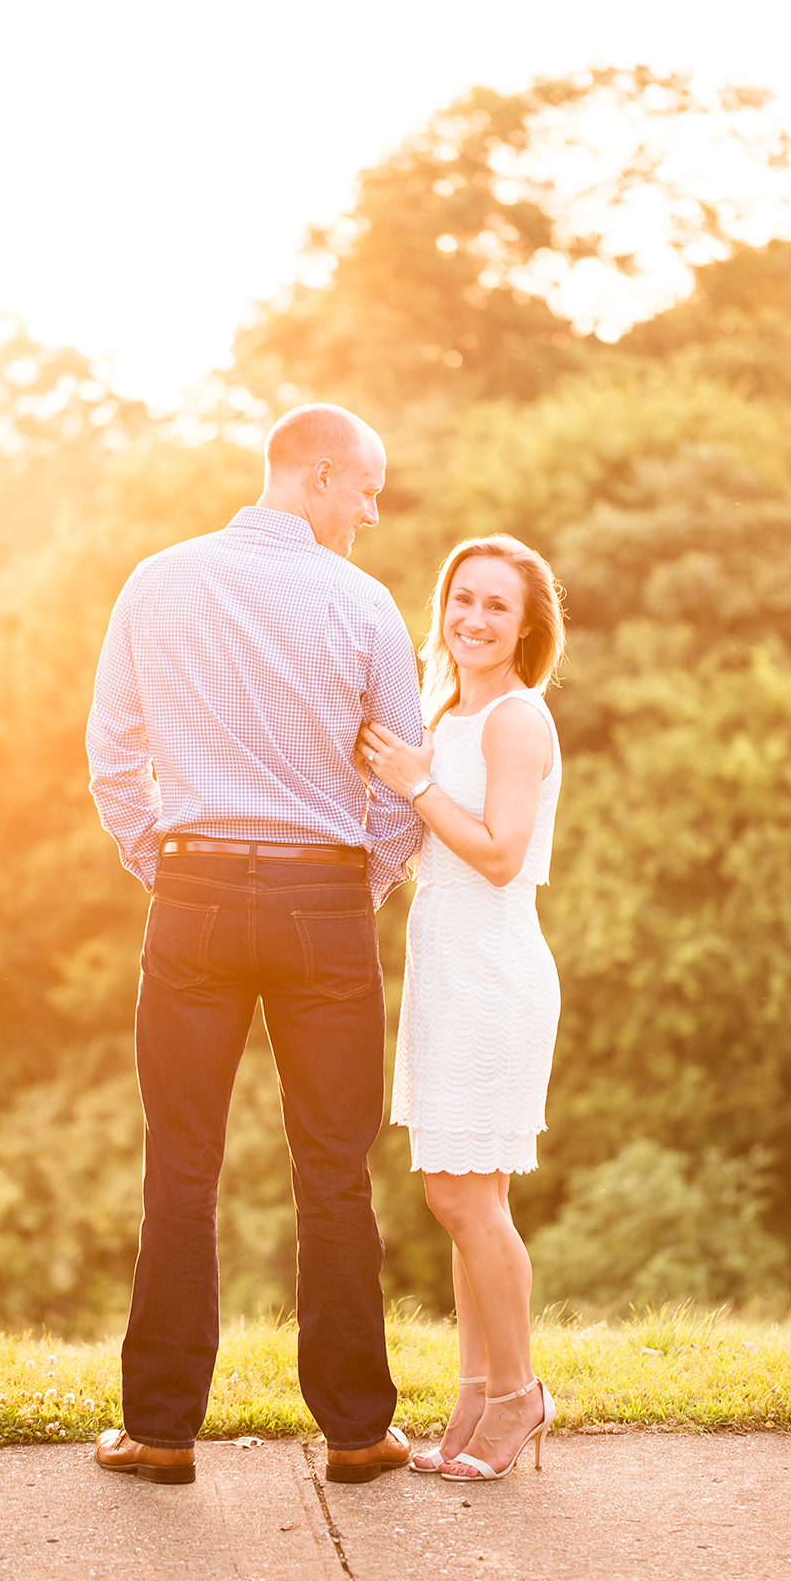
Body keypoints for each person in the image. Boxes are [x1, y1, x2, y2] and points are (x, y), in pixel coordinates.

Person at [86, 403, 424, 1486]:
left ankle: (161, 1433)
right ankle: (359, 1432)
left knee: (180, 1169)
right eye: (365, 487)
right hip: (322, 904)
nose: (372, 509)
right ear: (318, 476)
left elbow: (110, 754)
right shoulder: (362, 602)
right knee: (334, 1174)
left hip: (192, 896)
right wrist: (354, 881)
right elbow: (407, 780)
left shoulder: (159, 578)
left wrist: (167, 865)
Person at [358, 533, 564, 1483]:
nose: (473, 619)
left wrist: (414, 782)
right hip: (443, 970)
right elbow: (418, 840)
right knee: (468, 1196)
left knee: (459, 1193)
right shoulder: (442, 715)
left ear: (525, 629)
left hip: (494, 972)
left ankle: (519, 1397)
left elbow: (497, 853)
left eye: (496, 608)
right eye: (462, 599)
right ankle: (475, 1398)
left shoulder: (518, 720)